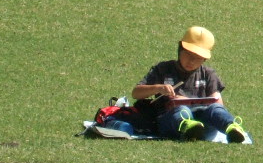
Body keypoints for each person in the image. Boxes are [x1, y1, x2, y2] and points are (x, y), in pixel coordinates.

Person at [101, 26, 247, 142]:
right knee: (181, 110)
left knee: (215, 109)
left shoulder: (208, 74)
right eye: (188, 55)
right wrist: (158, 88)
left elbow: (218, 103)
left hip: (205, 126)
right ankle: (187, 126)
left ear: (204, 60)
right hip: (171, 123)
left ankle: (231, 128)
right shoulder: (163, 69)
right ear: (180, 49)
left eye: (197, 58)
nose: (191, 61)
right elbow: (136, 93)